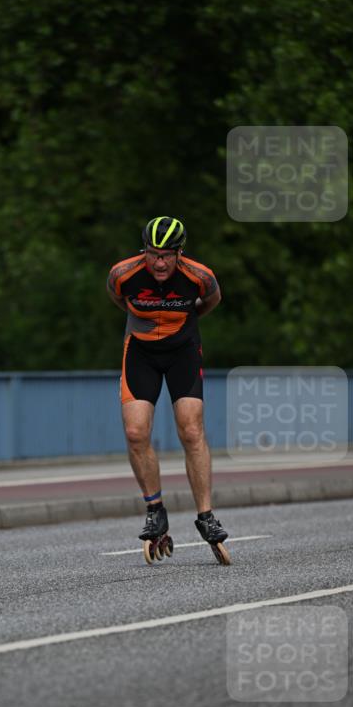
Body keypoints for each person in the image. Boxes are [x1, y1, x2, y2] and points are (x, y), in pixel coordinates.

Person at [106, 216, 229, 552]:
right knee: (135, 432)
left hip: (183, 352)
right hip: (141, 353)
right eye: (152, 254)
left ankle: (206, 515)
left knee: (190, 430)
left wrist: (186, 320)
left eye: (166, 255)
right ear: (144, 251)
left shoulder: (199, 276)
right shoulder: (123, 273)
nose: (159, 263)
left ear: (180, 253)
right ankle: (155, 510)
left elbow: (212, 300)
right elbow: (117, 298)